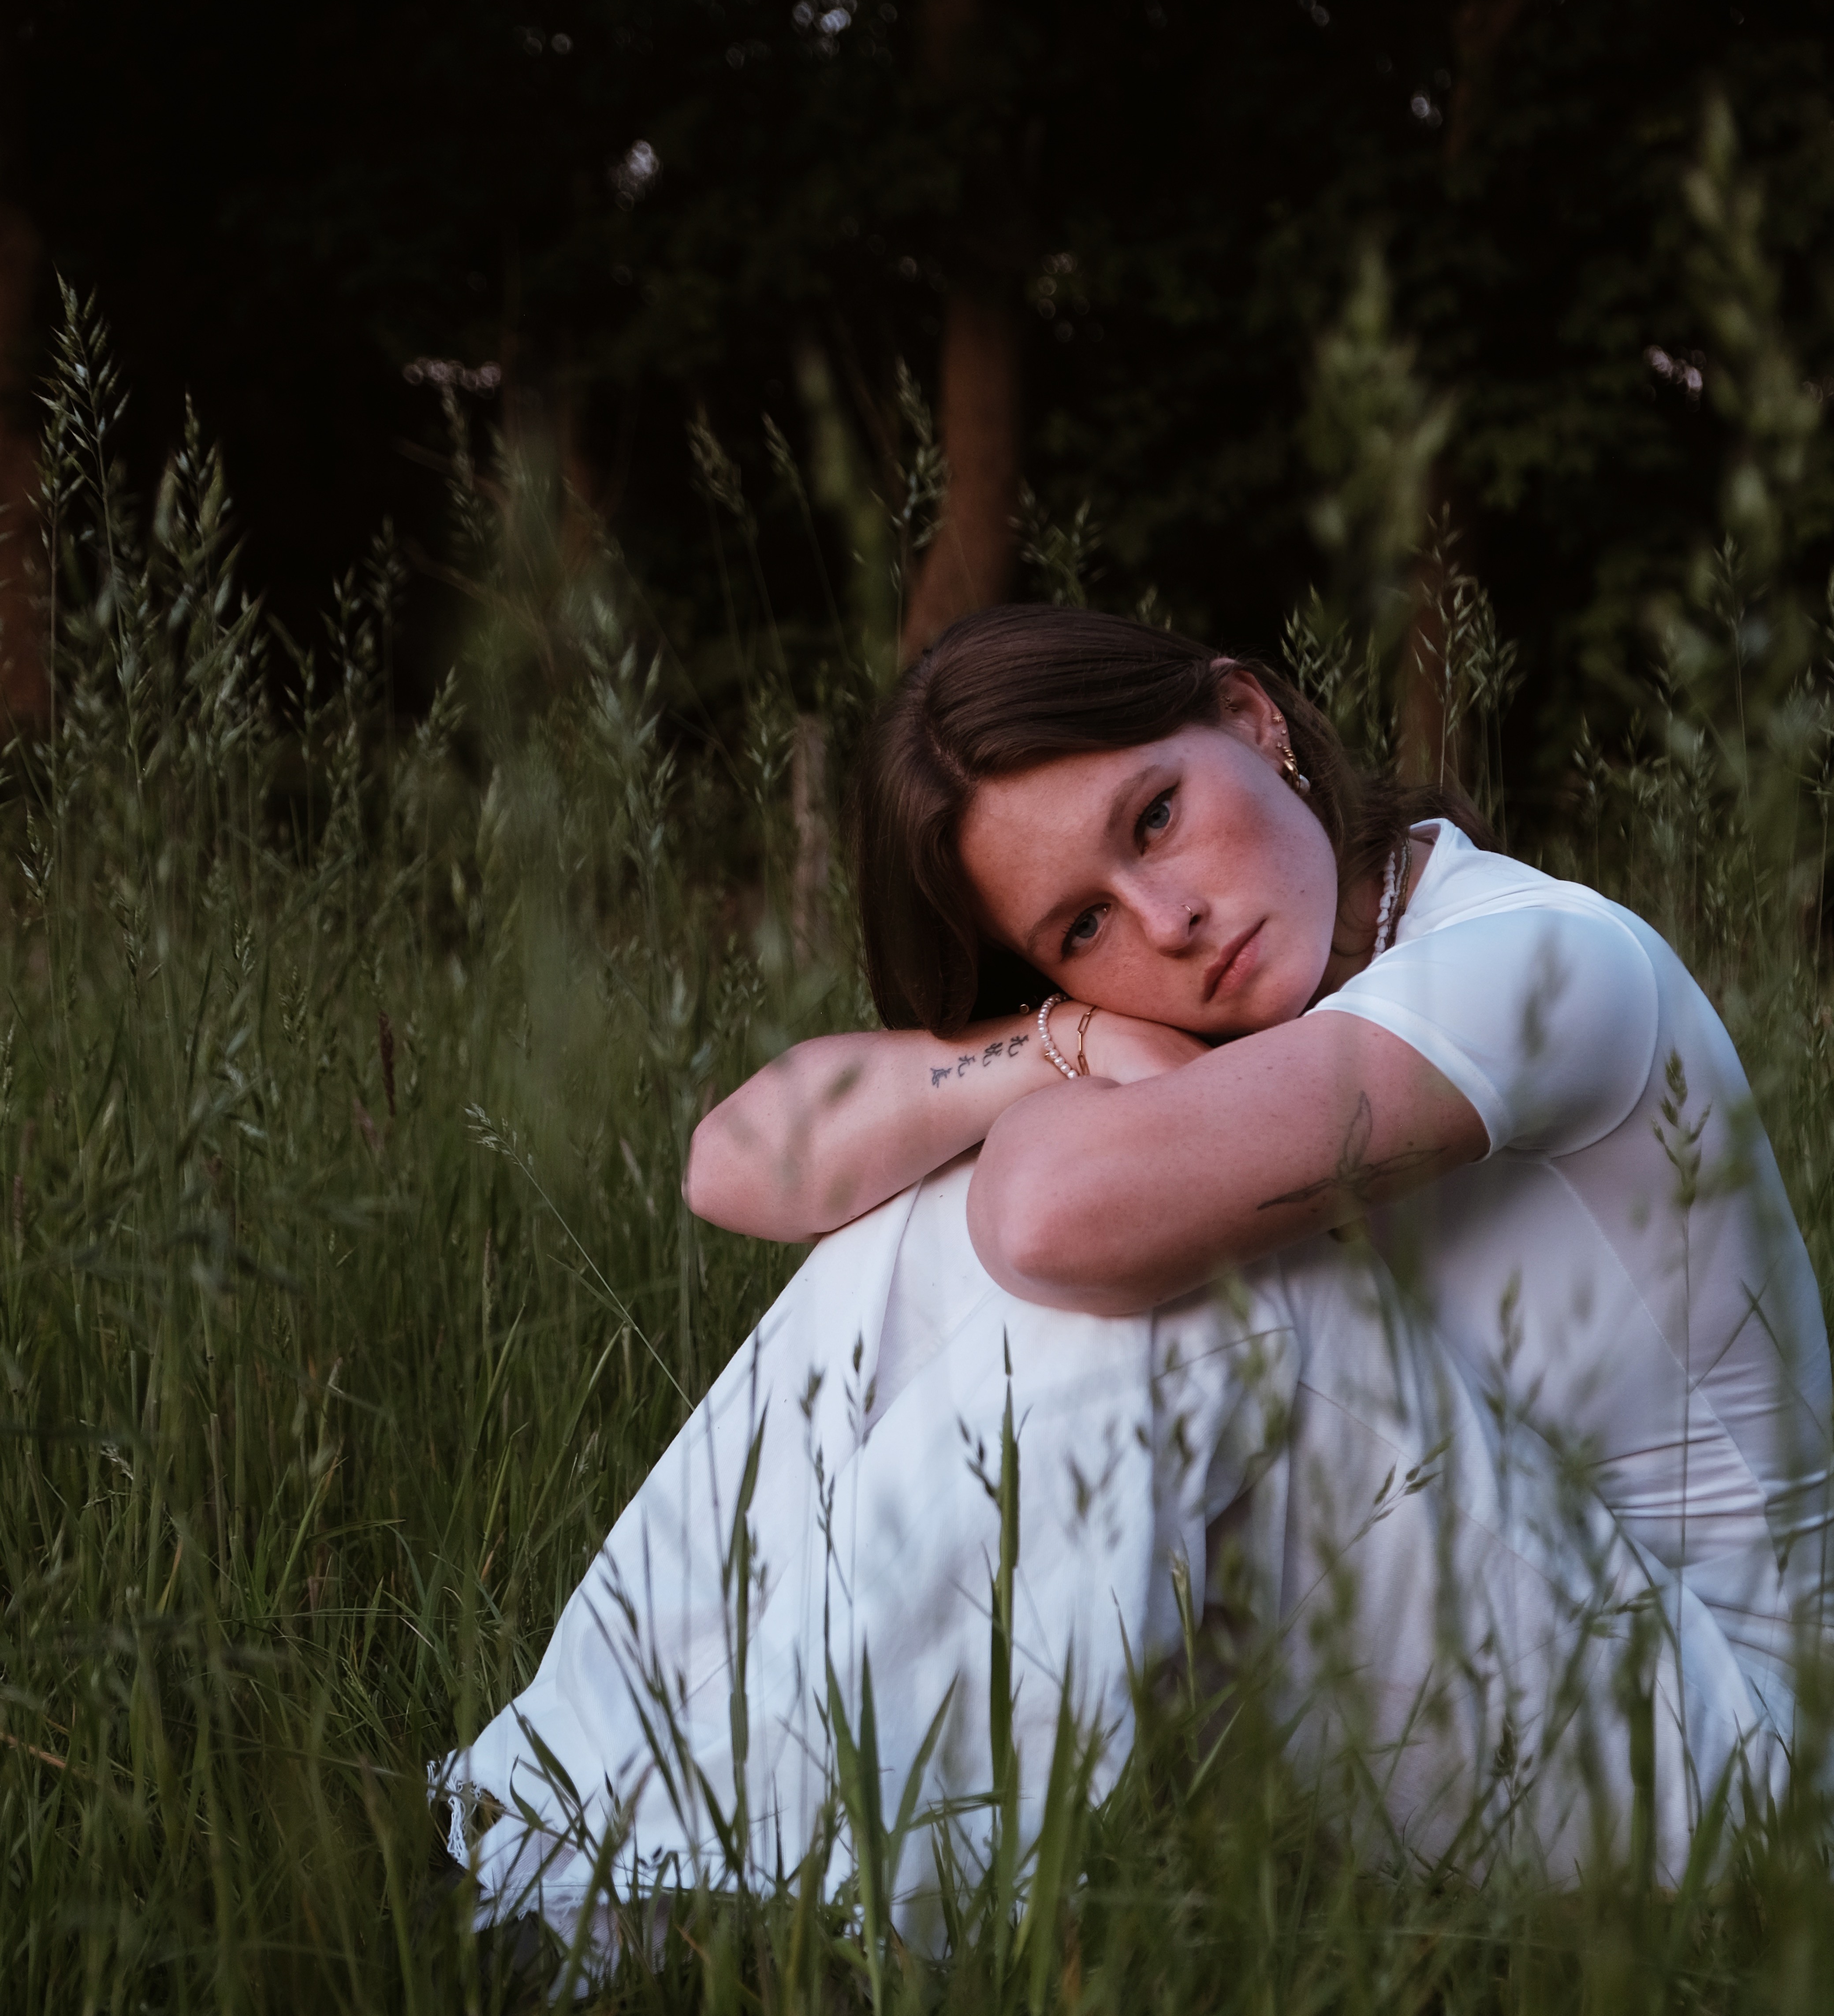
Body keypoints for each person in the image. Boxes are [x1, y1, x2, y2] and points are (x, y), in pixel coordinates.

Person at [436, 609, 1832, 1947]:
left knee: (1181, 1281)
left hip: (1740, 1769)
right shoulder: (1224, 1012)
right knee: (916, 1212)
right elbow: (735, 1159)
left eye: (1155, 817)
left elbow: (1052, 1216)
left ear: (1252, 717)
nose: (1169, 920)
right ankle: (555, 1824)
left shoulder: (1545, 961)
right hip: (1495, 1668)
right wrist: (1068, 1043)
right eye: (1081, 928)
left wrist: (1068, 1074)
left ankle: (757, 1902)